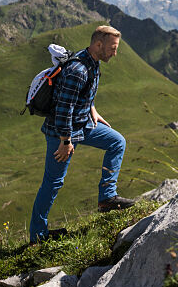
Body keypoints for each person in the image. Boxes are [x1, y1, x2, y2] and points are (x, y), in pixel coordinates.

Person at [29, 24, 133, 243]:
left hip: (83, 124)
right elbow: (62, 110)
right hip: (62, 132)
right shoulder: (78, 70)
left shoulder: (92, 62)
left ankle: (107, 198)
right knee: (53, 182)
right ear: (98, 44)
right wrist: (65, 141)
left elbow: (84, 94)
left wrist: (92, 110)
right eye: (113, 47)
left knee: (117, 142)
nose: (115, 52)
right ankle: (38, 236)